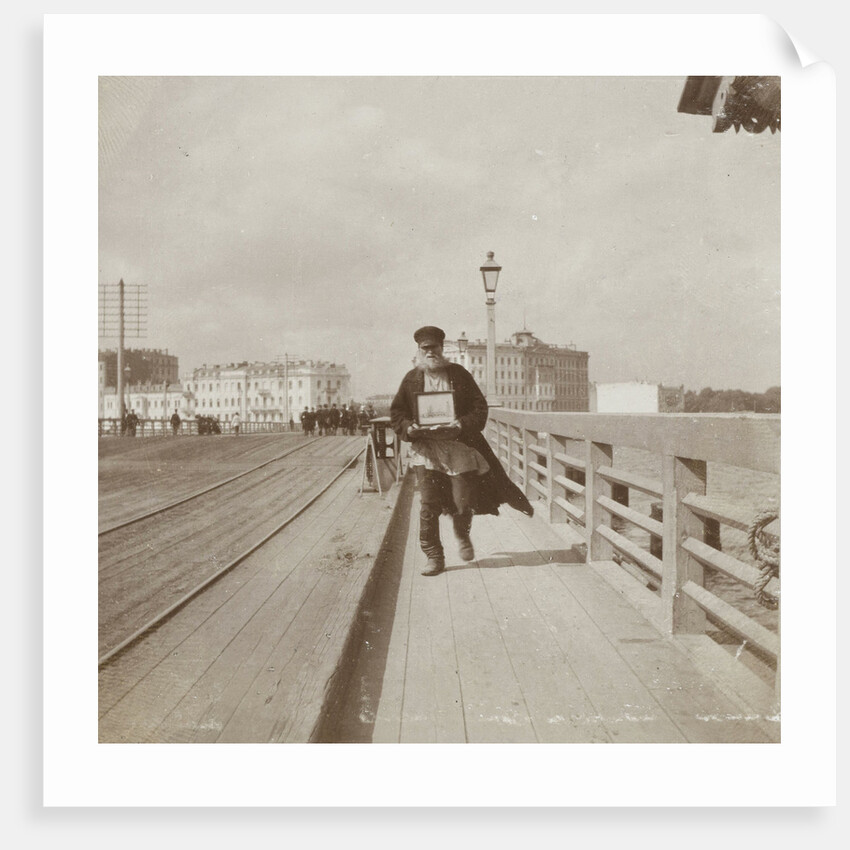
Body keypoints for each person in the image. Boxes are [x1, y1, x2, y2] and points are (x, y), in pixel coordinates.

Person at [390, 325, 533, 576]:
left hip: (459, 447)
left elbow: (480, 408)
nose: (430, 352)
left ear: (442, 348)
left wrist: (462, 423)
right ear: (419, 350)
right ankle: (434, 556)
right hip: (427, 450)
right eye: (426, 348)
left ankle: (462, 534)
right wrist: (409, 428)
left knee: (462, 501)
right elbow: (397, 414)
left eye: (434, 347)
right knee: (429, 503)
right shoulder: (411, 379)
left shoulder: (458, 375)